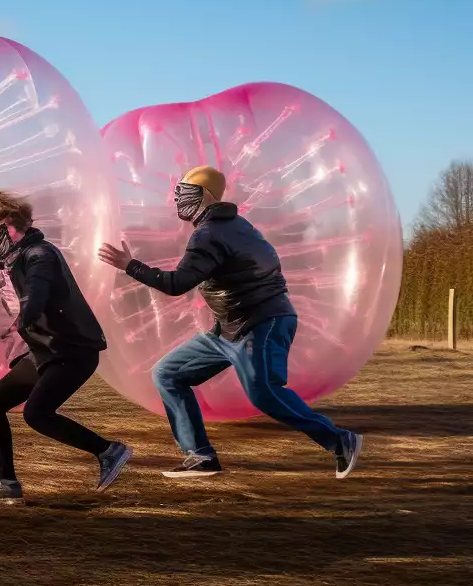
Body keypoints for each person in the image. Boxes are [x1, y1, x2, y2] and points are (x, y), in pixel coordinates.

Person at [97, 165, 363, 479]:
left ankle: (339, 440)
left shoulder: (209, 234)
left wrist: (130, 266)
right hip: (230, 329)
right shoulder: (237, 226)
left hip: (260, 324)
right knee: (168, 373)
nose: (178, 200)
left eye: (185, 192)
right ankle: (200, 456)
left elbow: (176, 284)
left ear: (205, 196)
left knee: (265, 394)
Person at [0, 190, 132, 501]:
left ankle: (109, 450)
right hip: (46, 351)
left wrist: (24, 317)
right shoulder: (13, 258)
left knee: (37, 414)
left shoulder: (39, 254)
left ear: (8, 224)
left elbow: (36, 291)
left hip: (72, 351)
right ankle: (7, 483)